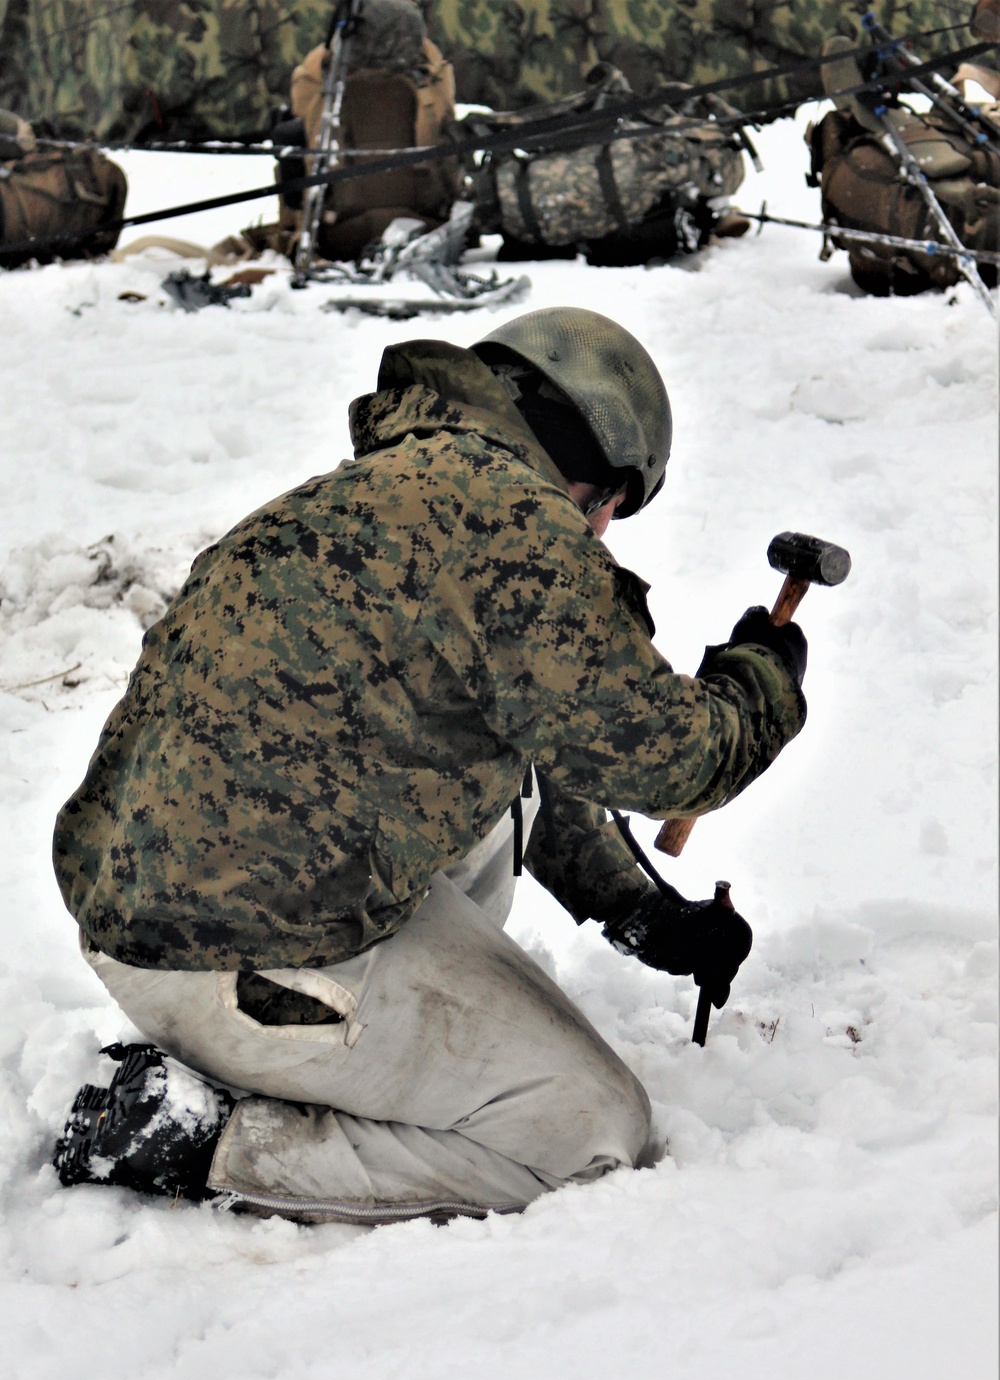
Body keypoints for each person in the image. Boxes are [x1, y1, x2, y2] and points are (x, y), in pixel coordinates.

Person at [51, 307, 807, 1224]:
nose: (605, 534)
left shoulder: (374, 492)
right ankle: (203, 1139)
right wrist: (762, 679)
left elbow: (539, 741)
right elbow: (673, 761)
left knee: (489, 771)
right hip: (239, 961)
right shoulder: (518, 527)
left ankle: (352, 1061)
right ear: (597, 477)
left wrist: (635, 909)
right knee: (592, 1128)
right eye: (616, 509)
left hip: (142, 916)